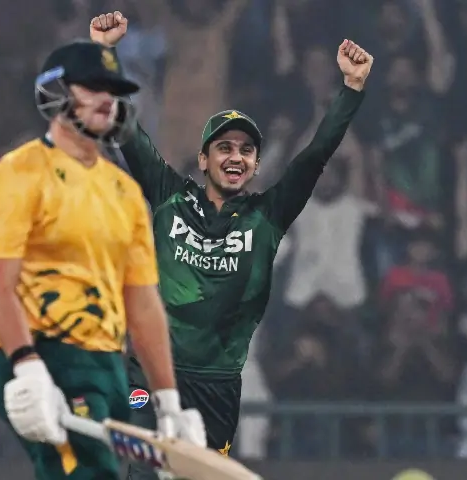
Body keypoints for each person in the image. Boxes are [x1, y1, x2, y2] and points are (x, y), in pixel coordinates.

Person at [89, 12, 373, 476]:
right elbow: (128, 132)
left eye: (241, 154)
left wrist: (350, 92)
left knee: (242, 440)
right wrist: (106, 53)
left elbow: (316, 157)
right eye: (221, 152)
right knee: (139, 421)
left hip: (235, 367)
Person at [0, 40, 206, 480]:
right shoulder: (16, 174)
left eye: (113, 90)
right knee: (86, 473)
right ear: (56, 91)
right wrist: (26, 365)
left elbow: (143, 303)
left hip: (109, 364)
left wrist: (168, 400)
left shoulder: (124, 192)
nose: (107, 99)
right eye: (92, 86)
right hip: (46, 350)